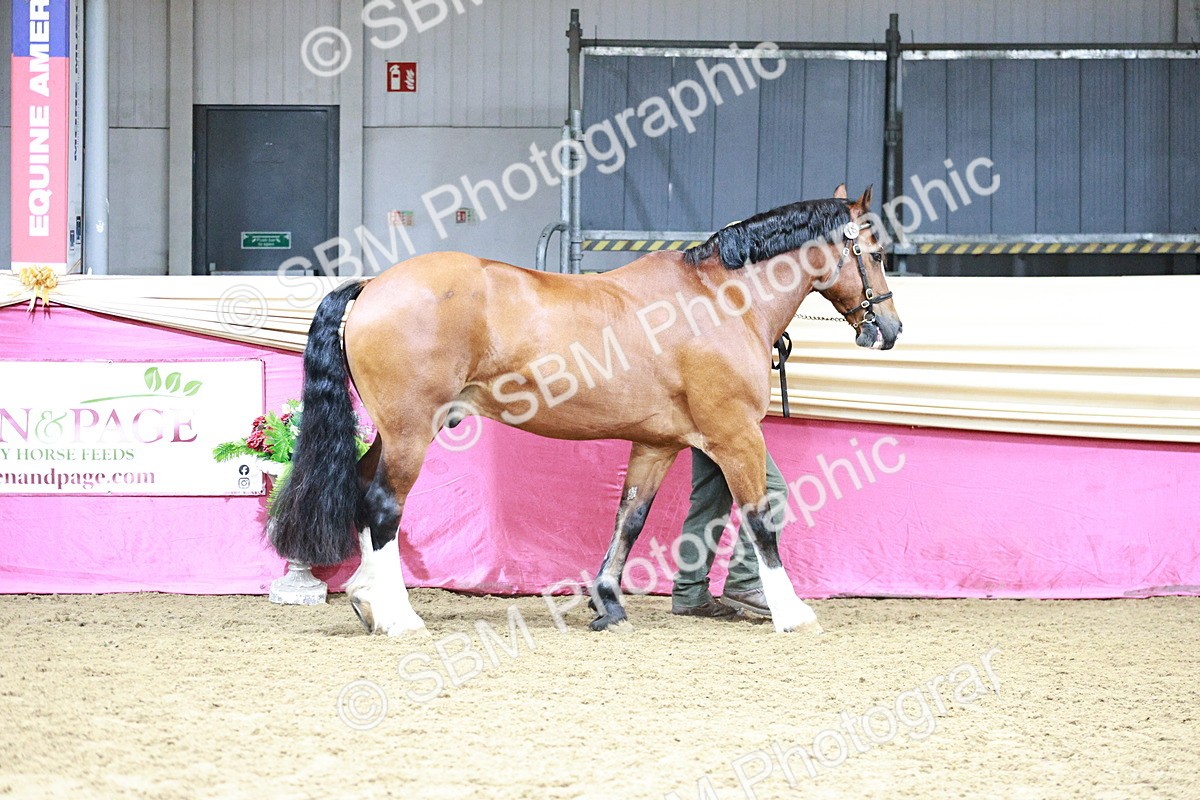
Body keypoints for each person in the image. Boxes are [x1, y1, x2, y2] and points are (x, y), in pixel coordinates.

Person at [670, 447, 789, 619]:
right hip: (730, 422)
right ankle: (745, 581)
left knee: (712, 494)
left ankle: (689, 592)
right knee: (771, 489)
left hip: (702, 423)